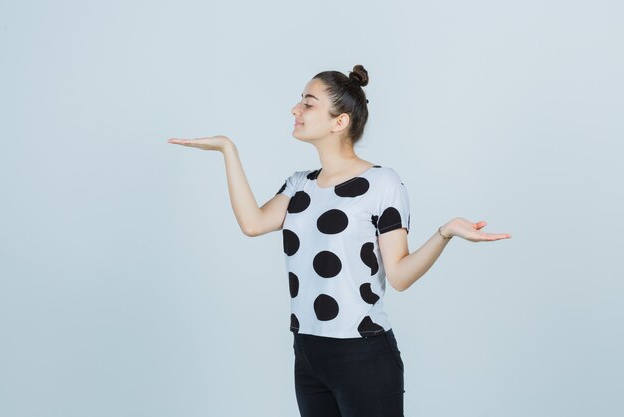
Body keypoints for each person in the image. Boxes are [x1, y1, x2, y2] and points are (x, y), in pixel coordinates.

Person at [168, 64, 511, 417]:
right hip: (307, 353)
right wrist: (228, 150)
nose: (295, 109)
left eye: (308, 103)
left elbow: (400, 276)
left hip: (363, 356)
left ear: (339, 121)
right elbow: (253, 224)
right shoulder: (298, 184)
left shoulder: (383, 184)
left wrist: (445, 233)